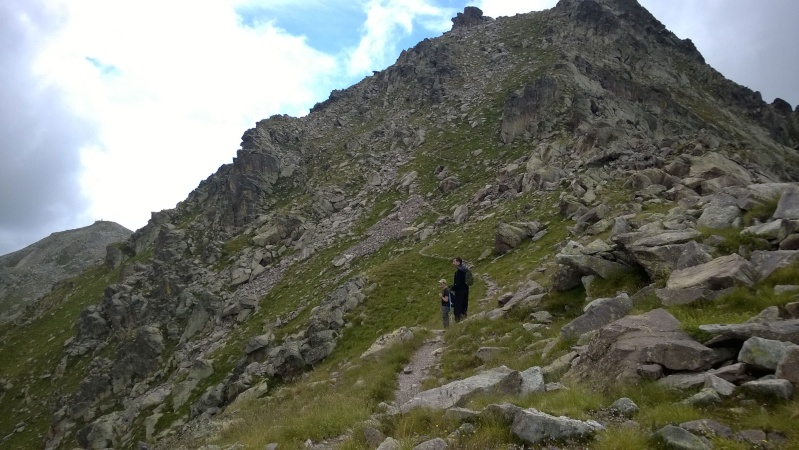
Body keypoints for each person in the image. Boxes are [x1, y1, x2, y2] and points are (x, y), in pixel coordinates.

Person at [451, 256, 469, 322]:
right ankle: (464, 317)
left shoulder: (459, 272)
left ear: (458, 262)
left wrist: (452, 288)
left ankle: (458, 321)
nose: (453, 263)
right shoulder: (465, 270)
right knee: (464, 305)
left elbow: (458, 283)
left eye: (454, 261)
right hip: (466, 290)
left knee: (458, 306)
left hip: (459, 291)